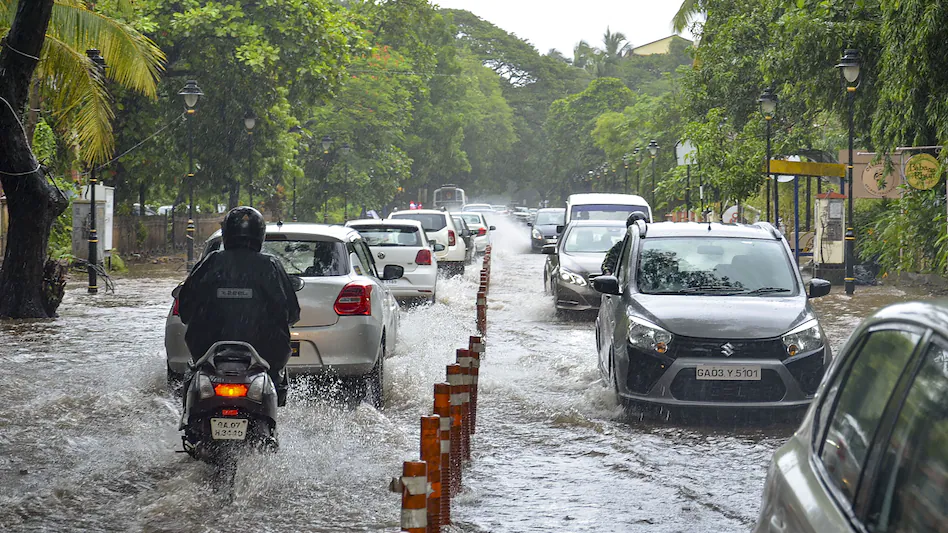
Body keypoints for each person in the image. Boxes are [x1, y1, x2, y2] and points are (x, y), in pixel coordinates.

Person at [178, 206, 301, 406]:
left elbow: (185, 307)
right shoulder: (270, 265)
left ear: (227, 234)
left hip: (208, 354)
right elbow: (293, 313)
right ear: (259, 235)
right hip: (265, 356)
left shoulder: (210, 263)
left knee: (191, 375)